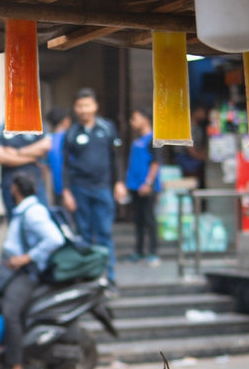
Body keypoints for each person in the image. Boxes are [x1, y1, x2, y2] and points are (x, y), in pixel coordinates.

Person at [0, 171, 65, 369]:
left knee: (10, 313)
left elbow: (55, 239)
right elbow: (12, 246)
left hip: (26, 275)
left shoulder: (33, 212)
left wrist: (27, 258)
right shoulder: (21, 211)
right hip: (10, 270)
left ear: (15, 190)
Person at [61, 88, 125, 286]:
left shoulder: (107, 128)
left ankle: (109, 277)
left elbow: (117, 157)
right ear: (75, 108)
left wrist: (119, 182)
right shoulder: (71, 133)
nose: (84, 110)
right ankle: (90, 279)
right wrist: (66, 191)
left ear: (95, 106)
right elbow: (64, 164)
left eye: (87, 105)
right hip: (79, 189)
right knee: (84, 235)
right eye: (80, 106)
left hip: (103, 188)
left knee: (105, 233)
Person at [0, 121, 50, 215]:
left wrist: (17, 152)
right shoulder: (0, 129)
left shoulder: (35, 124)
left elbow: (45, 146)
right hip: (11, 186)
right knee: (15, 219)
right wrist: (31, 159)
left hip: (35, 184)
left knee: (40, 217)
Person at [124, 108, 162, 264]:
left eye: (135, 118)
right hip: (134, 186)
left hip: (147, 187)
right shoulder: (137, 140)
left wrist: (148, 183)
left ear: (145, 119)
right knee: (138, 220)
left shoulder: (154, 139)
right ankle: (139, 251)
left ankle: (153, 252)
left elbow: (155, 163)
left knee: (149, 219)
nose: (132, 122)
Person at [45, 108, 70, 203]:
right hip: (71, 188)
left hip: (56, 187)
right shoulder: (68, 139)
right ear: (65, 121)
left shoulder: (47, 141)